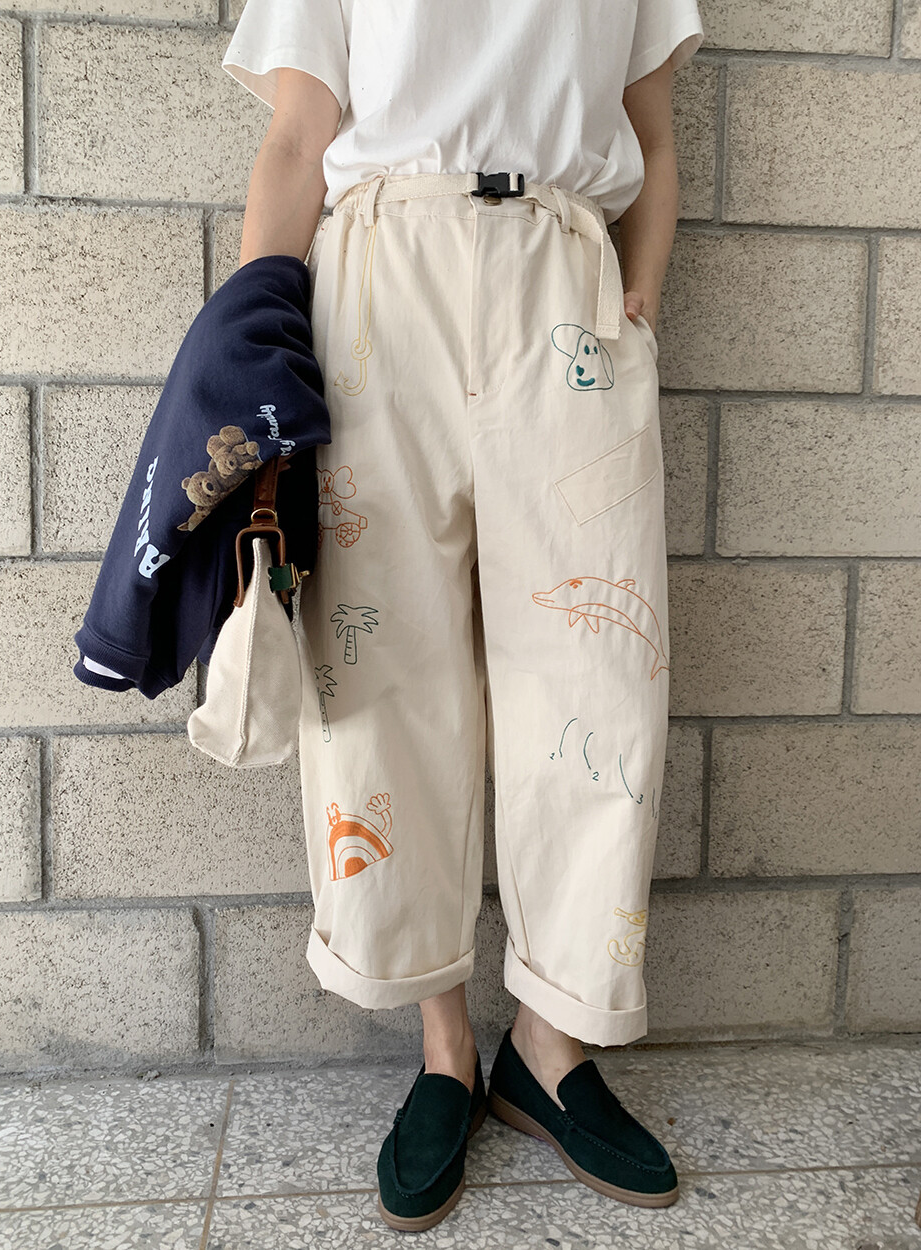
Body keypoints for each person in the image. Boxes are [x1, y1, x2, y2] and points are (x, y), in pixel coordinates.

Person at [221, 0, 704, 1232]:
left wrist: (638, 304)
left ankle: (547, 1045)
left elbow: (651, 128)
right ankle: (444, 1045)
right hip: (383, 278)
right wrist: (244, 361)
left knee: (600, 678)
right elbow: (297, 139)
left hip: (563, 273)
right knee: (385, 671)